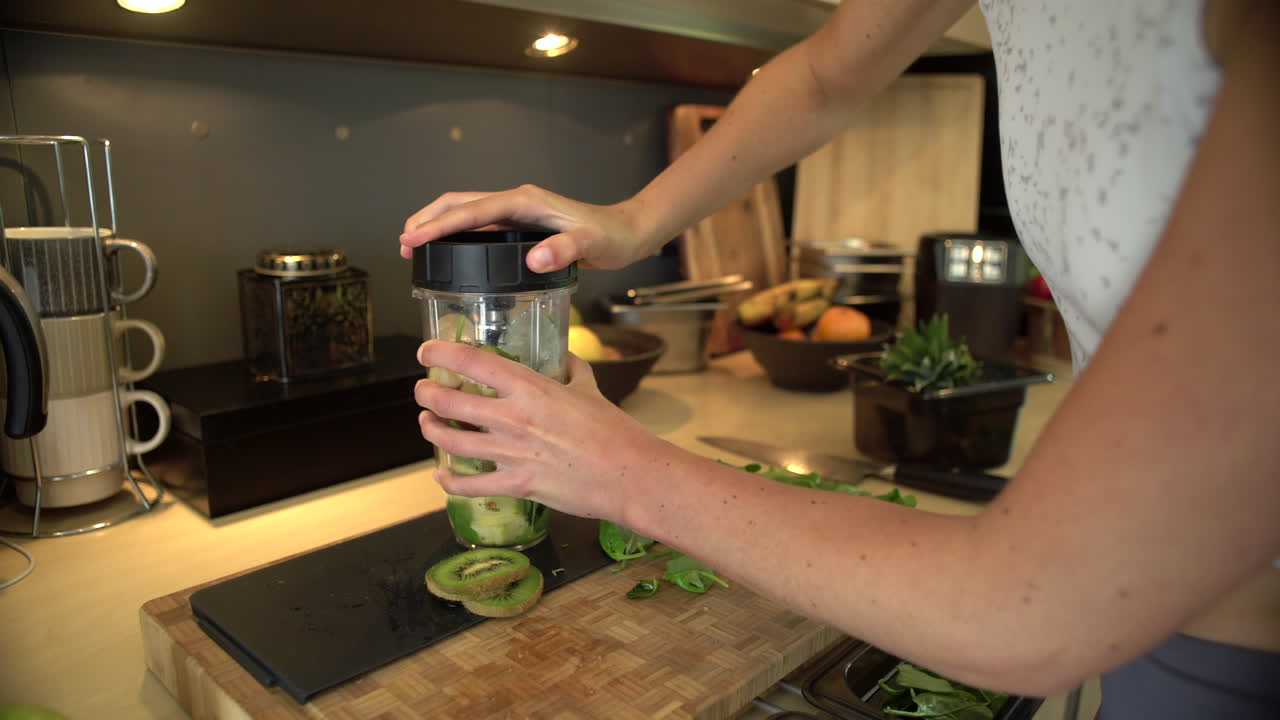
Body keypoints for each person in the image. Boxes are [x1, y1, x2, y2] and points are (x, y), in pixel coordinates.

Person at [399, 0, 1280, 716]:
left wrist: (624, 472)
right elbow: (826, 73)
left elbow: (1036, 605)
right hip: (1161, 608)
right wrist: (633, 220)